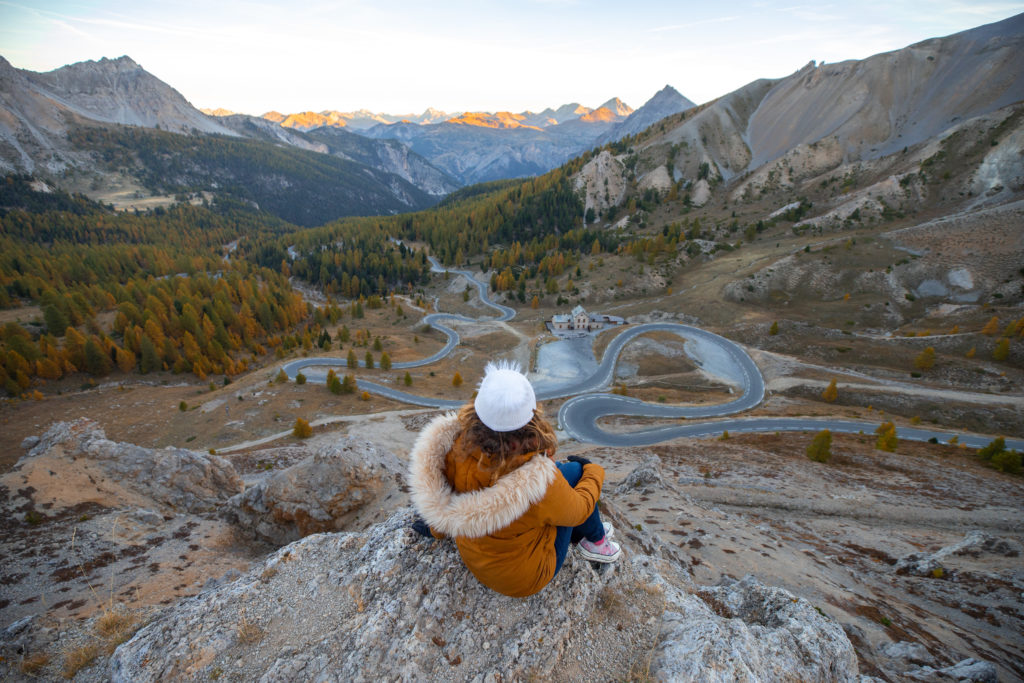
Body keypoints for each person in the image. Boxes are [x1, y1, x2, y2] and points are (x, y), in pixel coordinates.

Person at [408, 360, 621, 598]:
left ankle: (593, 534)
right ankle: (597, 543)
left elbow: (444, 499)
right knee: (576, 474)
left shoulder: (455, 448)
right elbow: (579, 510)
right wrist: (593, 471)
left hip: (476, 561)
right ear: (531, 417)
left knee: (562, 472)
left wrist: (436, 529)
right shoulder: (537, 483)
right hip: (525, 579)